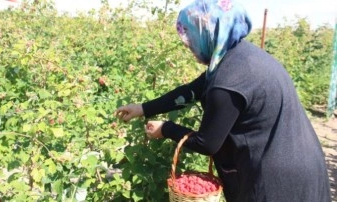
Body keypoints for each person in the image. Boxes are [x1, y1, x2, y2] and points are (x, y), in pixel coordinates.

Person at [115, 0, 332, 201]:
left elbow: (207, 142)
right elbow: (191, 91)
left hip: (276, 182)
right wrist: (143, 108)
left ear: (209, 33)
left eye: (190, 38)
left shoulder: (227, 80)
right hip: (303, 162)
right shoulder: (239, 56)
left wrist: (166, 128)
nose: (188, 46)